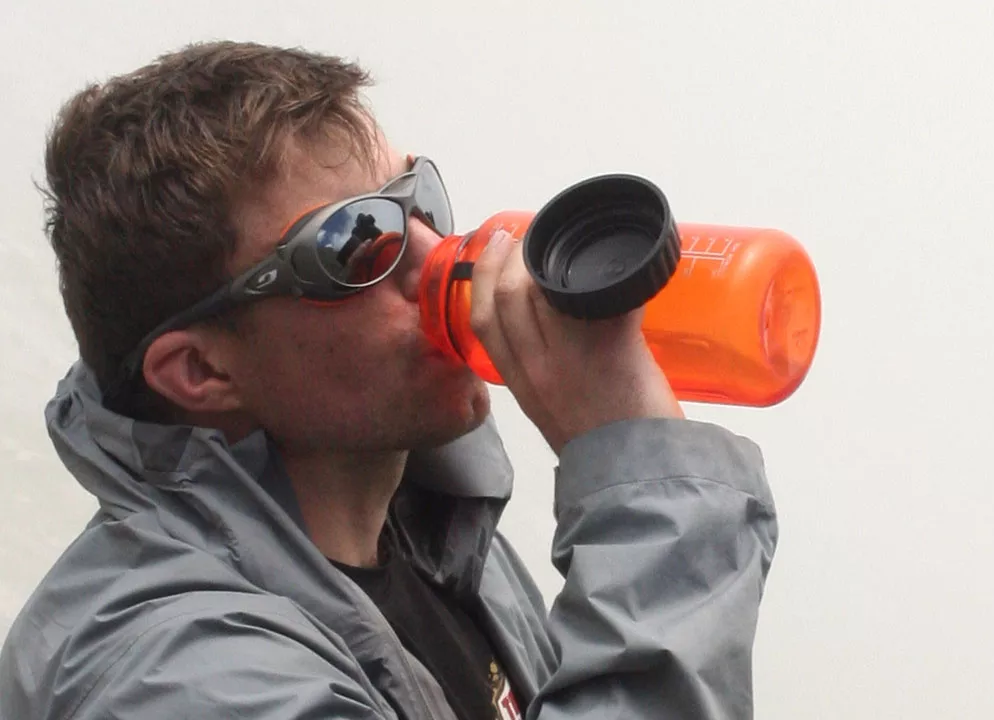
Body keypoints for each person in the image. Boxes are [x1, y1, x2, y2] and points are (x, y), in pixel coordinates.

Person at [0, 40, 780, 719]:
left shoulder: (432, 537)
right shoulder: (167, 675)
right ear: (202, 370)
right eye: (355, 241)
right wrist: (644, 488)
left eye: (418, 198)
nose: (436, 250)